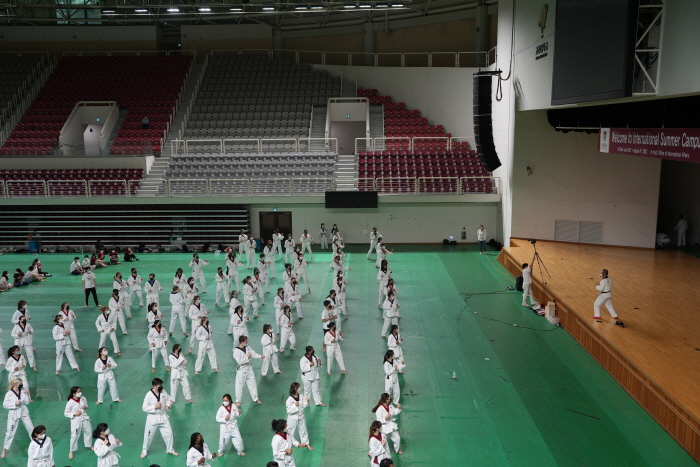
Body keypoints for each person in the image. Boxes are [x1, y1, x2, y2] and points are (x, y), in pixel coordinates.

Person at [140, 377, 178, 458]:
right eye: (159, 385)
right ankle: (144, 451)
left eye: (161, 385)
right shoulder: (148, 395)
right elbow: (144, 408)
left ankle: (170, 449)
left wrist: (168, 406)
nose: (161, 386)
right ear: (155, 385)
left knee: (169, 433)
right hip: (152, 418)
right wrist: (154, 407)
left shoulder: (163, 391)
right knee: (148, 435)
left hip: (163, 416)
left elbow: (168, 399)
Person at [2, 378, 33, 459]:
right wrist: (15, 404)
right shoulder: (9, 394)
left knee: (31, 429)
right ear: (15, 384)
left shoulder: (23, 391)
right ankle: (4, 449)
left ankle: (35, 446)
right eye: (20, 383)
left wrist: (27, 394)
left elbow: (26, 402)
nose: (21, 385)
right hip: (14, 413)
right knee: (9, 432)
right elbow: (5, 405)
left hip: (23, 412)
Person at [233, 335, 264, 406]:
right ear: (242, 342)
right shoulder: (236, 351)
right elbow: (240, 361)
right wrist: (247, 357)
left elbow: (253, 354)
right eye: (246, 341)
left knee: (252, 383)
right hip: (241, 369)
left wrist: (260, 356)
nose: (247, 342)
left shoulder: (248, 347)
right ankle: (238, 400)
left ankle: (255, 398)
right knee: (239, 385)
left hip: (249, 368)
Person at [64, 386, 92, 460]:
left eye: (80, 391)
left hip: (84, 418)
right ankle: (71, 450)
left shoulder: (83, 398)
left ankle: (89, 445)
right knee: (75, 435)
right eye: (78, 392)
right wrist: (74, 414)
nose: (80, 393)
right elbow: (66, 413)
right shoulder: (70, 402)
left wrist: (85, 407)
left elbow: (86, 405)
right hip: (76, 421)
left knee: (88, 431)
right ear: (74, 393)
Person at [285, 382, 314, 451]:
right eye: (299, 387)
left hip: (301, 415)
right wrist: (295, 405)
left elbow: (305, 404)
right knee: (290, 431)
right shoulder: (289, 400)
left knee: (303, 430)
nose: (300, 388)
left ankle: (306, 443)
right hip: (292, 417)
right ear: (295, 388)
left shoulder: (300, 396)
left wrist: (308, 401)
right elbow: (288, 410)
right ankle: (288, 446)